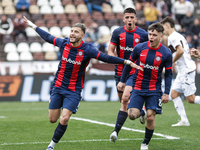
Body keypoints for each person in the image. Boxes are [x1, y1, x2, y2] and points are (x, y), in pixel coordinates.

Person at [23, 16, 142, 150]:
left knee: (64, 119)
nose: (72, 34)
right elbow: (47, 37)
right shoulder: (64, 43)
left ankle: (51, 146)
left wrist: (126, 61)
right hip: (57, 86)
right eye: (72, 31)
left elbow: (106, 58)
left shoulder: (87, 49)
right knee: (52, 119)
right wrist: (32, 25)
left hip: (73, 90)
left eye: (76, 32)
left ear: (82, 35)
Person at [117, 22, 173, 150]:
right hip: (138, 87)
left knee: (151, 117)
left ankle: (145, 143)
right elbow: (128, 63)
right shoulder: (139, 48)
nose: (151, 37)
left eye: (154, 35)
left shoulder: (166, 53)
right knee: (131, 115)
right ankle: (141, 111)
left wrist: (166, 93)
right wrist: (122, 80)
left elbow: (169, 74)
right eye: (150, 34)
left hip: (154, 90)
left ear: (161, 36)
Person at [108, 7, 148, 143]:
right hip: (119, 71)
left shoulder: (142, 34)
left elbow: (147, 51)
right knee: (124, 104)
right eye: (127, 17)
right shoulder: (117, 32)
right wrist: (114, 59)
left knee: (125, 98)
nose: (129, 20)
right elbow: (110, 50)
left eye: (132, 17)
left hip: (134, 72)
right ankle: (141, 112)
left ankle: (115, 132)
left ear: (136, 19)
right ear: (123, 19)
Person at [161, 16, 200, 127]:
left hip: (186, 70)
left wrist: (171, 62)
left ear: (167, 25)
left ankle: (184, 120)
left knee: (191, 99)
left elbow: (181, 51)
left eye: (163, 27)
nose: (163, 30)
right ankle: (184, 121)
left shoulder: (172, 37)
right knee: (173, 94)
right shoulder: (179, 36)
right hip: (183, 70)